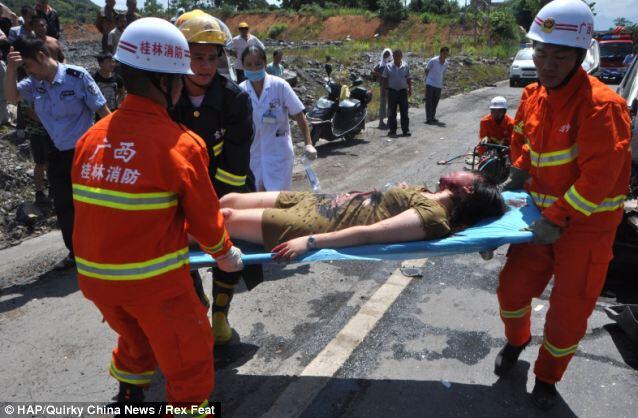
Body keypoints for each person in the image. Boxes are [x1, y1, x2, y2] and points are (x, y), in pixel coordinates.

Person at [71, 17, 244, 406]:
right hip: (153, 283)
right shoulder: (180, 146)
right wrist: (226, 255)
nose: (183, 86)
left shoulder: (89, 140)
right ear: (165, 82)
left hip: (97, 283)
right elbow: (206, 221)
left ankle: (129, 398)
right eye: (179, 79)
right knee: (190, 356)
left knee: (136, 339)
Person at [494, 0, 632, 410]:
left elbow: (598, 180)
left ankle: (547, 380)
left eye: (559, 55)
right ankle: (517, 341)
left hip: (587, 228)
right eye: (541, 52)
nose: (547, 64)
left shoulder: (603, 106)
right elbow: (523, 149)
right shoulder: (533, 96)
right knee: (512, 291)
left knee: (568, 313)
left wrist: (558, 217)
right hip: (539, 219)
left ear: (580, 56)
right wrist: (510, 186)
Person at [174, 12, 260, 345]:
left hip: (227, 190)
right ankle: (198, 301)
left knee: (229, 252)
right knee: (180, 255)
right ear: (182, 57)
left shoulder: (234, 98)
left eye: (213, 57)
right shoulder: (168, 96)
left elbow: (236, 160)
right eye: (198, 57)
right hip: (179, 190)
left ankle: (220, 314)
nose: (206, 65)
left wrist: (213, 210)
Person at [220, 170, 506, 259]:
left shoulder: (433, 217)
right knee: (230, 199)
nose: (460, 169)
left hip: (314, 223)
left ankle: (173, 235)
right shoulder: (425, 192)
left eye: (469, 172)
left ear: (468, 188)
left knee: (225, 219)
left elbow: (369, 234)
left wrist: (309, 242)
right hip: (317, 201)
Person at [4, 37, 109, 269]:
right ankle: (76, 254)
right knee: (63, 206)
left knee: (91, 205)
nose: (28, 71)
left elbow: (103, 110)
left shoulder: (77, 76)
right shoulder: (35, 83)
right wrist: (11, 69)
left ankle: (102, 249)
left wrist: (115, 146)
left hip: (85, 153)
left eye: (28, 65)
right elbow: (11, 96)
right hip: (56, 153)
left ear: (41, 56)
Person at [239, 45, 316, 191]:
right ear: (242, 66)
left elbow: (299, 115)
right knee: (256, 200)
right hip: (253, 156)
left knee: (277, 200)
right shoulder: (241, 91)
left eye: (258, 64)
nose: (254, 69)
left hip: (278, 155)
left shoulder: (280, 86)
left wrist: (308, 143)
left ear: (265, 63)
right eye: (249, 65)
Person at [381, 49, 411, 138]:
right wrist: (384, 91)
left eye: (398, 55)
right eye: (395, 56)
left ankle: (405, 130)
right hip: (392, 92)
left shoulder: (406, 66)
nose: (397, 57)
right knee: (392, 112)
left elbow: (408, 78)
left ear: (401, 56)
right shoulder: (388, 66)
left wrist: (410, 89)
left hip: (403, 91)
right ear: (393, 56)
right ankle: (392, 130)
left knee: (404, 112)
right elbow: (384, 79)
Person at [424, 46, 450, 125]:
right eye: (444, 53)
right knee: (429, 101)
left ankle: (432, 116)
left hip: (438, 85)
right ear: (441, 53)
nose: (445, 55)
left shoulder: (446, 63)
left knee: (435, 102)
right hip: (430, 83)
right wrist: (428, 79)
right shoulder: (433, 60)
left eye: (447, 54)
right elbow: (426, 70)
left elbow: (443, 73)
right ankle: (428, 118)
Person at [372, 48, 391, 129]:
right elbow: (372, 71)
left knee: (390, 104)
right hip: (383, 86)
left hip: (391, 86)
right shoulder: (380, 64)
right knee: (383, 103)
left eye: (387, 54)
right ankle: (381, 121)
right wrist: (380, 75)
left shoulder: (392, 63)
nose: (386, 56)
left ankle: (390, 120)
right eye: (385, 54)